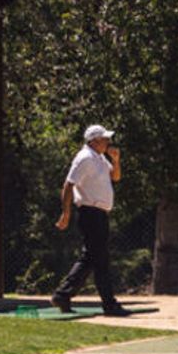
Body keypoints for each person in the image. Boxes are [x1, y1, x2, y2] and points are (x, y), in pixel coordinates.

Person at [53, 124, 132, 317]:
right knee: (101, 260)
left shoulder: (99, 158)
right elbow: (68, 185)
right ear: (94, 141)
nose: (108, 142)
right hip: (90, 212)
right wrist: (66, 213)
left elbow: (116, 177)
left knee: (90, 258)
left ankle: (63, 295)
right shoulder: (85, 158)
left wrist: (116, 160)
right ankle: (109, 304)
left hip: (100, 214)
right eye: (104, 139)